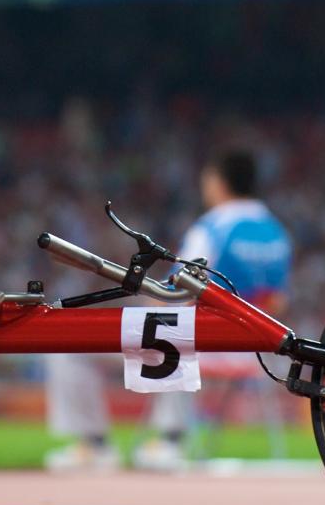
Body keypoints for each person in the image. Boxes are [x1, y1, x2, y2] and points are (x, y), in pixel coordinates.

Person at [44, 148, 292, 472]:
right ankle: (167, 437)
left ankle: (109, 443)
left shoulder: (213, 228)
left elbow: (174, 292)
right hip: (255, 349)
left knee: (70, 343)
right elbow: (279, 302)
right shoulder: (277, 233)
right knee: (174, 326)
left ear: (218, 182)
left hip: (202, 347)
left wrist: (142, 304)